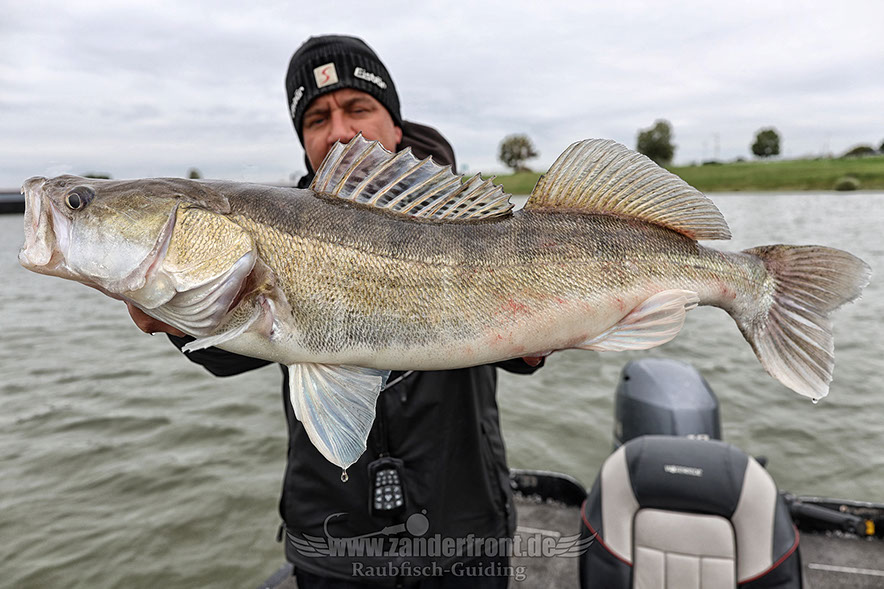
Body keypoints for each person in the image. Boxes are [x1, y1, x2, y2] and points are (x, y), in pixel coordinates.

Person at [129, 35, 542, 587]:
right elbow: (227, 357)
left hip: (464, 528)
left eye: (358, 108)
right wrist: (179, 314)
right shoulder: (267, 228)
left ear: (395, 124)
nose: (340, 131)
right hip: (332, 540)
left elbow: (521, 354)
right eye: (317, 119)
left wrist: (542, 340)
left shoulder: (477, 222)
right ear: (303, 141)